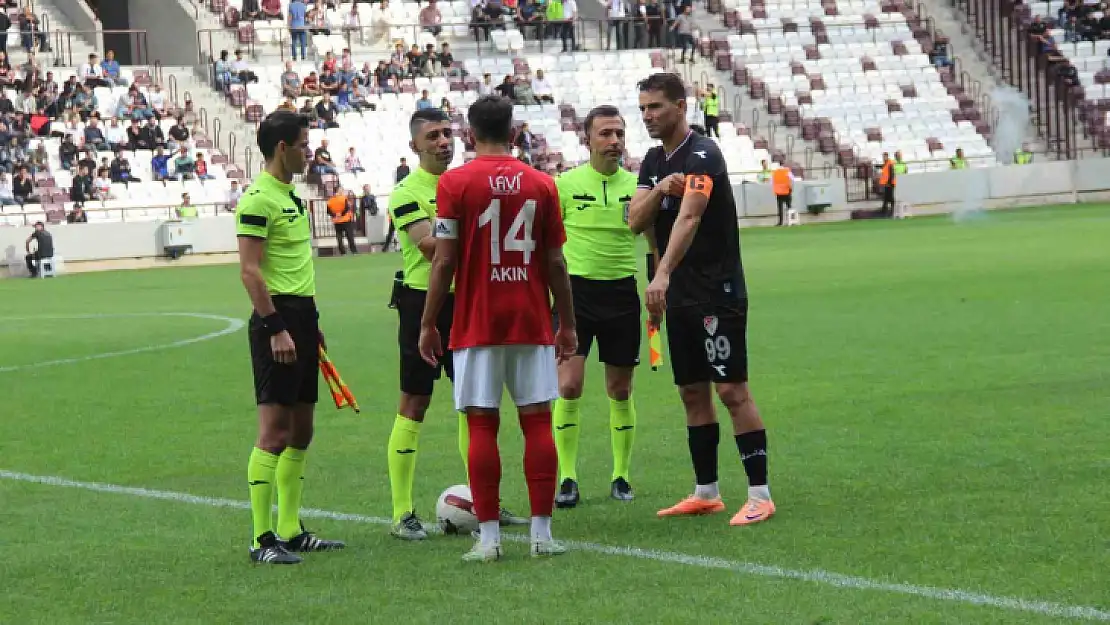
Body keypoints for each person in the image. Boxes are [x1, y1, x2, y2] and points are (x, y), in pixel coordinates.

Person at [418, 95, 577, 562]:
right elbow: (555, 262)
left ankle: (488, 541)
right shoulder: (543, 184)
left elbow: (443, 258)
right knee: (538, 422)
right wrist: (565, 321)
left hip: (476, 321)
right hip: (529, 318)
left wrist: (429, 322)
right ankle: (542, 537)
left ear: (469, 133)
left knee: (482, 424)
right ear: (514, 131)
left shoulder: (455, 182)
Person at [627, 73, 776, 526]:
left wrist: (662, 275)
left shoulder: (703, 154)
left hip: (717, 289)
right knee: (691, 390)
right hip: (679, 294)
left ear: (681, 106)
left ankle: (760, 494)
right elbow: (634, 220)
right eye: (643, 109)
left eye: (656, 107)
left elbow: (689, 219)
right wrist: (659, 188)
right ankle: (706, 491)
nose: (649, 116)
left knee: (731, 388)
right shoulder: (654, 160)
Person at [385, 107, 526, 540]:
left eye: (447, 133)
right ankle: (402, 512)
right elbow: (430, 248)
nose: (443, 141)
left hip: (466, 301)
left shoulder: (465, 182)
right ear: (415, 146)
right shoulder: (407, 191)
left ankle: (486, 502)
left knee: (475, 403)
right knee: (415, 403)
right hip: (421, 303)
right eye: (433, 136)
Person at [235, 110, 345, 564]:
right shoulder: (259, 199)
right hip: (276, 320)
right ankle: (262, 539)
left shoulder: (292, 197)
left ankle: (291, 529)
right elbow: (250, 270)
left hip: (301, 318)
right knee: (274, 433)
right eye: (303, 144)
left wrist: (310, 326)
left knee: (302, 431)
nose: (309, 152)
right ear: (282, 148)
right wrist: (275, 326)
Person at [551, 105, 641, 508]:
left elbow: (654, 241)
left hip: (622, 293)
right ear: (586, 139)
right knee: (569, 385)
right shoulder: (563, 185)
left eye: (619, 133)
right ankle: (567, 477)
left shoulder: (639, 187)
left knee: (619, 389)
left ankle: (621, 475)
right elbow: (548, 245)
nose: (614, 141)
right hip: (575, 295)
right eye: (605, 133)